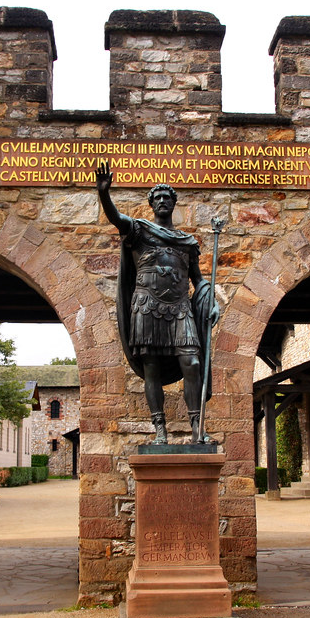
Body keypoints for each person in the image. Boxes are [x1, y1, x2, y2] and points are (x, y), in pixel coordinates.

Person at [95, 161, 218, 444]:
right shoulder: (139, 231)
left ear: (174, 203)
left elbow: (198, 279)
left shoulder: (187, 242)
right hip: (146, 305)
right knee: (151, 367)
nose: (162, 201)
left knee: (192, 362)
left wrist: (210, 299)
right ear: (152, 204)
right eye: (157, 198)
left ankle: (197, 427)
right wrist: (104, 194)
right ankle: (159, 429)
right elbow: (117, 219)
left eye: (167, 197)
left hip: (180, 307)